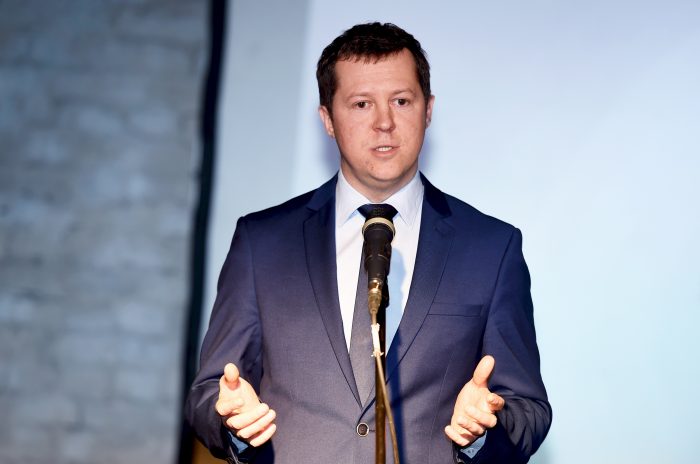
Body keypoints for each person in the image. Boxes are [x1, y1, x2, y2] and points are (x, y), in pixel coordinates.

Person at [185, 22, 551, 464]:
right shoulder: (261, 243)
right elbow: (208, 394)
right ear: (328, 120)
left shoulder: (491, 248)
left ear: (428, 110)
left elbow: (529, 411)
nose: (384, 123)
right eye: (361, 104)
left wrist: (483, 430)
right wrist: (231, 421)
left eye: (402, 101)